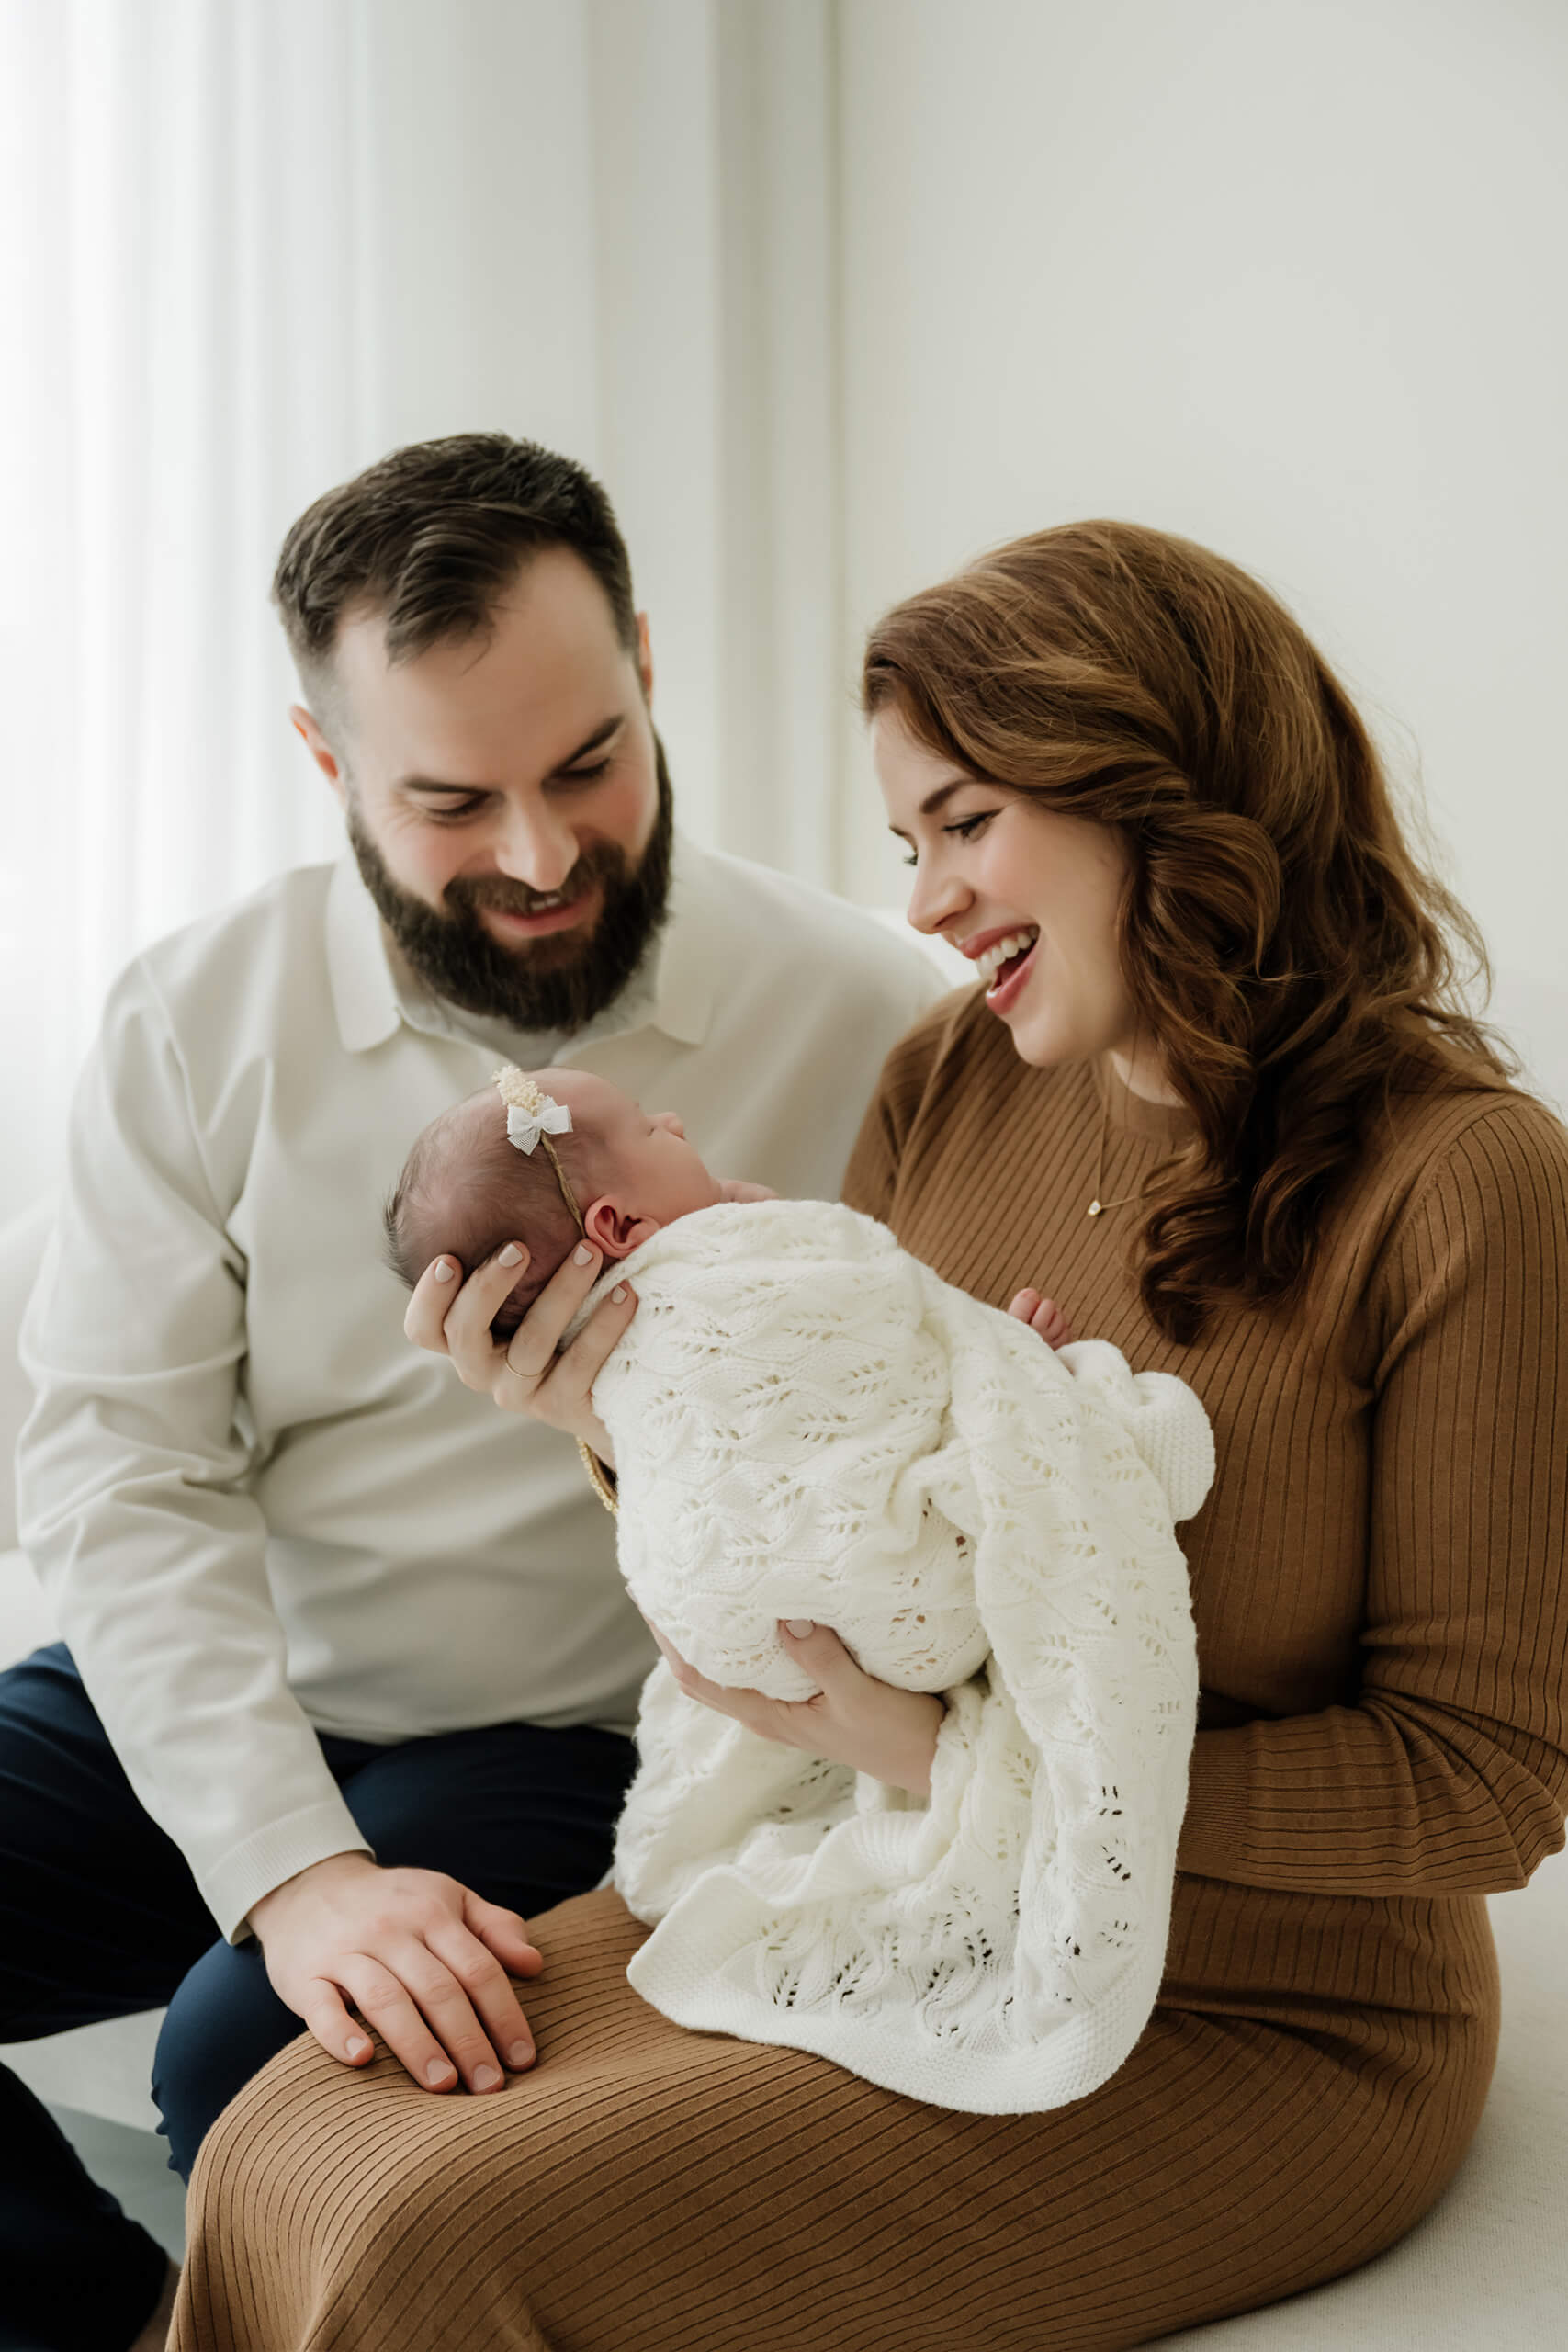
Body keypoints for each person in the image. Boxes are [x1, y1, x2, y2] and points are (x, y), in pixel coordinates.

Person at [171, 519, 1568, 2351]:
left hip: (1260, 2002)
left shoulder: (1463, 1181)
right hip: (900, 1866)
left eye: (967, 820)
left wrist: (949, 1756)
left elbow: (1488, 1778)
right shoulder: (951, 1076)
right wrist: (605, 1407)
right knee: (287, 2129)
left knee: (434, 2229)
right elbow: (828, 1465)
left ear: (1157, 782)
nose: (921, 899)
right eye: (905, 844)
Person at [0, 433, 942, 2352]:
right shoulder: (196, 1017)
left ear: (651, 673)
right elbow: (122, 1470)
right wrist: (291, 1862)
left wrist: (621, 1422)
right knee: (282, 1954)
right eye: (452, 797)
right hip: (244, 1673)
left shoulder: (872, 1013)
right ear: (327, 761)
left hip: (568, 1723)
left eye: (588, 763)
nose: (537, 853)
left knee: (250, 2050)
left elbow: (921, 1430)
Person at [384, 1063, 1213, 2113]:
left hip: (1177, 1921)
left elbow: (883, 1336)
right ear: (613, 1218)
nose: (677, 1119)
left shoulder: (1456, 1175)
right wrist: (1009, 1373)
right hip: (815, 1640)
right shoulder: (941, 1078)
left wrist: (928, 1754)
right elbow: (859, 1346)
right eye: (650, 1122)